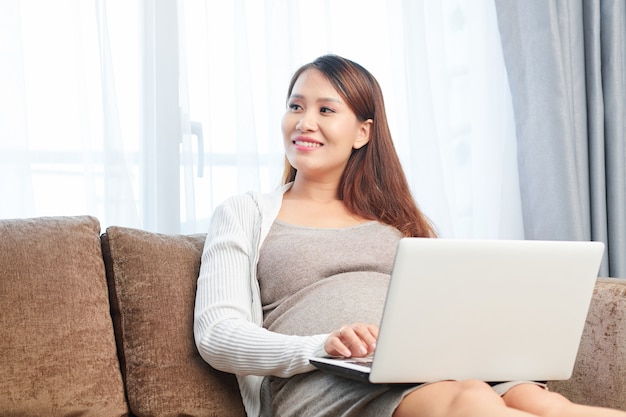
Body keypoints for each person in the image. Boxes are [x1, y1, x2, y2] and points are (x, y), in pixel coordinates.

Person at [194, 54, 626, 417]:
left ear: (363, 132)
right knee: (469, 400)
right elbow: (216, 332)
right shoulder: (245, 211)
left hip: (434, 366)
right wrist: (319, 346)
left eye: (326, 110)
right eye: (295, 106)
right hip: (327, 379)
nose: (305, 122)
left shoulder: (400, 219)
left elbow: (449, 311)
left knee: (543, 403)